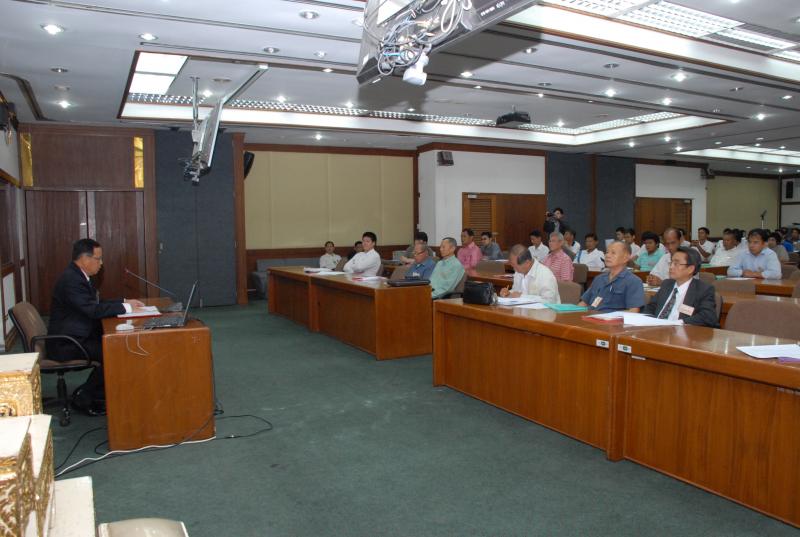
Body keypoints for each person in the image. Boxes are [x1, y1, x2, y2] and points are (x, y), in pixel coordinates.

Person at [47, 238, 145, 416]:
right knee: (113, 353)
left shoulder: (79, 275)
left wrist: (124, 302)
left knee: (114, 347)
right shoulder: (72, 280)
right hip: (66, 343)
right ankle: (85, 396)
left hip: (76, 335)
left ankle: (96, 393)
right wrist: (126, 308)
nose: (101, 263)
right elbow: (92, 310)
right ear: (84, 259)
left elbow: (95, 303)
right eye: (98, 259)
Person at [642, 247, 719, 327]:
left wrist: (679, 323)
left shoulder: (703, 290)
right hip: (656, 329)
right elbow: (651, 307)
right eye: (671, 262)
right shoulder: (667, 284)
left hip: (682, 330)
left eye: (676, 264)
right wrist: (650, 321)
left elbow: (707, 316)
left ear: (690, 269)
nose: (671, 267)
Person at [578, 241, 644, 312]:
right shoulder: (599, 278)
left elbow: (633, 311)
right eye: (607, 252)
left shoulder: (633, 281)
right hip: (589, 316)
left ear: (626, 258)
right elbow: (583, 303)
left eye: (613, 253)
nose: (607, 256)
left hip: (612, 318)